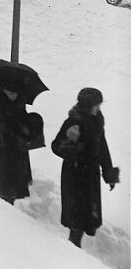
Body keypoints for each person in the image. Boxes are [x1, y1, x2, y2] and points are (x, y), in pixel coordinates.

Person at [51, 88, 119, 248]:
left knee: (86, 215)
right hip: (74, 175)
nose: (98, 108)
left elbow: (103, 149)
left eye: (99, 105)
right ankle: (73, 248)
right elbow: (56, 146)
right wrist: (71, 145)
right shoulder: (72, 121)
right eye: (96, 105)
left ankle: (75, 246)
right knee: (76, 216)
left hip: (90, 176)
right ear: (87, 105)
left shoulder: (97, 122)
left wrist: (108, 173)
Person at [0, 87, 32, 205]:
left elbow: (25, 123)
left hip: (17, 147)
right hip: (2, 146)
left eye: (15, 93)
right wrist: (2, 125)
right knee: (2, 178)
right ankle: (4, 206)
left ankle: (10, 203)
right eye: (10, 93)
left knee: (15, 177)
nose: (12, 96)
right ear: (4, 92)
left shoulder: (20, 105)